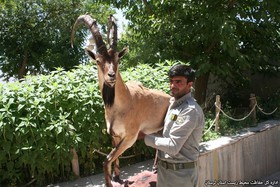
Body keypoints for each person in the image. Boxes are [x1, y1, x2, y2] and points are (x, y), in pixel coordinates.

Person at [140, 64, 205, 187]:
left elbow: (173, 146)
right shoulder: (174, 105)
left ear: (190, 84)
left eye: (178, 82)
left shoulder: (190, 110)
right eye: (171, 81)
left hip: (181, 175)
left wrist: (144, 136)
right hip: (165, 171)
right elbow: (164, 133)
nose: (172, 85)